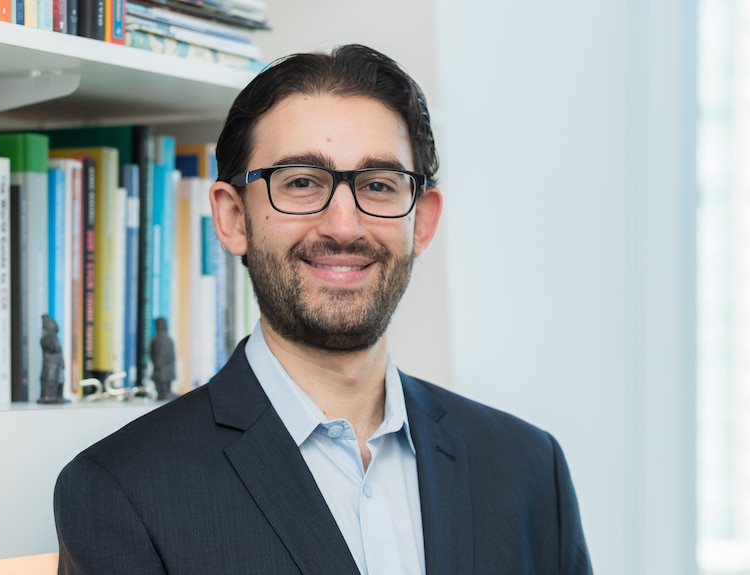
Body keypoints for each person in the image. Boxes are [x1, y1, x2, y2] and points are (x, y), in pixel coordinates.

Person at [54, 44, 593, 574]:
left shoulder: (528, 470)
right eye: (302, 182)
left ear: (422, 221)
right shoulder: (122, 492)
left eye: (379, 185)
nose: (342, 226)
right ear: (233, 218)